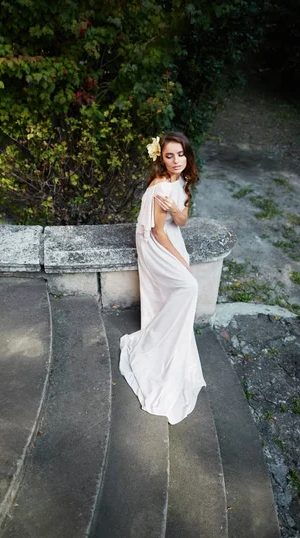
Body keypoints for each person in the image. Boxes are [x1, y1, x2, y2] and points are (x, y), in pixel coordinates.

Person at [119, 131, 206, 425]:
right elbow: (157, 231)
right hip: (155, 244)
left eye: (180, 154)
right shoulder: (160, 188)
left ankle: (173, 340)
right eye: (169, 156)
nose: (176, 161)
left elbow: (181, 220)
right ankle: (157, 342)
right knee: (189, 286)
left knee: (185, 289)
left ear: (186, 155)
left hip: (171, 235)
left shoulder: (182, 180)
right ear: (161, 158)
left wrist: (175, 210)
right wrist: (181, 260)